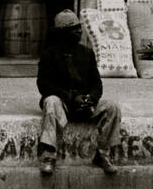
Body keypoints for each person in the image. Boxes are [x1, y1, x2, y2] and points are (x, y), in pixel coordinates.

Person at [37, 10, 121, 177]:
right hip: (63, 103)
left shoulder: (86, 53)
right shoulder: (49, 54)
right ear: (62, 33)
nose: (79, 31)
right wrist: (70, 97)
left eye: (79, 28)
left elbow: (97, 83)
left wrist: (91, 98)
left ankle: (102, 154)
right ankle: (48, 157)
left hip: (84, 104)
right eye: (74, 28)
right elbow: (44, 85)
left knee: (112, 107)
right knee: (51, 102)